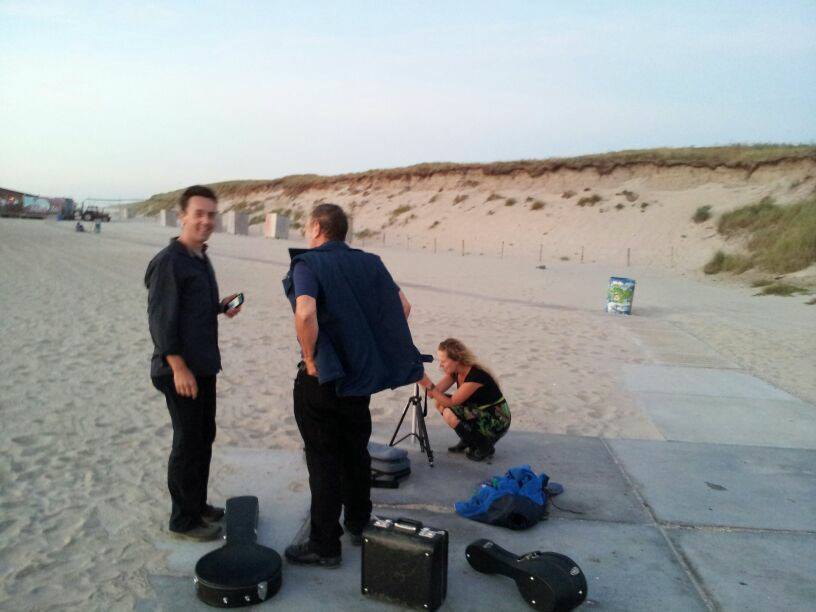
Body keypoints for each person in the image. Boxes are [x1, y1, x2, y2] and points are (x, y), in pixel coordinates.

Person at [282, 203, 422, 568]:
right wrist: (369, 342)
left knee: (323, 459)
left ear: (317, 227)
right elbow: (403, 306)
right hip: (359, 380)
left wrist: (310, 357)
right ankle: (359, 523)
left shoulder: (307, 264)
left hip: (324, 378)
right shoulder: (371, 262)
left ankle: (325, 544)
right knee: (356, 453)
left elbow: (305, 312)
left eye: (308, 227)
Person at [145, 185, 242, 541]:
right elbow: (161, 320)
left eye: (211, 215)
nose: (205, 221)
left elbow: (190, 308)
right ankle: (183, 520)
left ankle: (198, 506)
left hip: (203, 366)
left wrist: (220, 306)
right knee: (187, 443)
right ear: (182, 216)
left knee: (203, 438)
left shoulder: (199, 257)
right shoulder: (169, 262)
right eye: (198, 214)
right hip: (180, 370)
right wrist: (178, 367)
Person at [419, 338, 511, 461]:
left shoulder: (476, 376)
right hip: (479, 411)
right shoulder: (456, 372)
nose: (440, 365)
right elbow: (433, 394)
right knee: (439, 403)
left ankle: (484, 447)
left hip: (497, 419)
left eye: (443, 361)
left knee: (449, 411)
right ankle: (468, 439)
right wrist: (419, 377)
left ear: (457, 359)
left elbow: (450, 402)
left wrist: (427, 383)